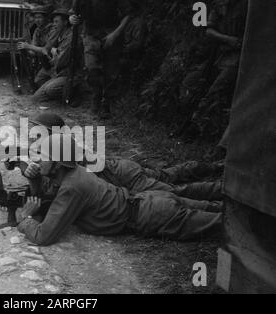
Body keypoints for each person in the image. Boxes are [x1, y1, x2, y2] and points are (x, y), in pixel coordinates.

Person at [15, 133, 223, 246]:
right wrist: (34, 181)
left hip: (153, 213)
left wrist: (24, 219)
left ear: (58, 164)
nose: (38, 160)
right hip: (149, 202)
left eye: (43, 156)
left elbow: (44, 236)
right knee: (220, 210)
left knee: (228, 226)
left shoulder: (72, 187)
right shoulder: (75, 172)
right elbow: (51, 192)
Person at [22, 113, 224, 202]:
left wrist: (34, 173)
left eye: (38, 131)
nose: (33, 135)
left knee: (176, 192)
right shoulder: (58, 148)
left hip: (124, 176)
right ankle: (216, 167)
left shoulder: (67, 151)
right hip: (123, 169)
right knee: (168, 175)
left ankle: (224, 189)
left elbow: (57, 183)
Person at [188, 0, 248, 137]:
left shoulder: (247, 5)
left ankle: (196, 125)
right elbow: (209, 30)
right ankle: (196, 126)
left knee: (216, 90)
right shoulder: (220, 4)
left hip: (239, 57)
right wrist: (227, 39)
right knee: (201, 86)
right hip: (220, 55)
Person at [69, 0, 132, 119]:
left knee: (111, 73)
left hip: (112, 34)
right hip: (90, 35)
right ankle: (95, 99)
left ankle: (106, 105)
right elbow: (74, 12)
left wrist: (115, 35)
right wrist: (72, 18)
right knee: (91, 68)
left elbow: (127, 15)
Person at [19, 9, 80, 102]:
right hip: (57, 69)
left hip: (67, 72)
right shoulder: (58, 33)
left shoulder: (70, 36)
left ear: (65, 22)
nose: (54, 24)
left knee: (49, 89)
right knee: (36, 96)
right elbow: (47, 50)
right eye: (53, 22)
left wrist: (52, 53)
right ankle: (55, 88)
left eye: (57, 22)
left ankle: (73, 92)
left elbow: (58, 59)